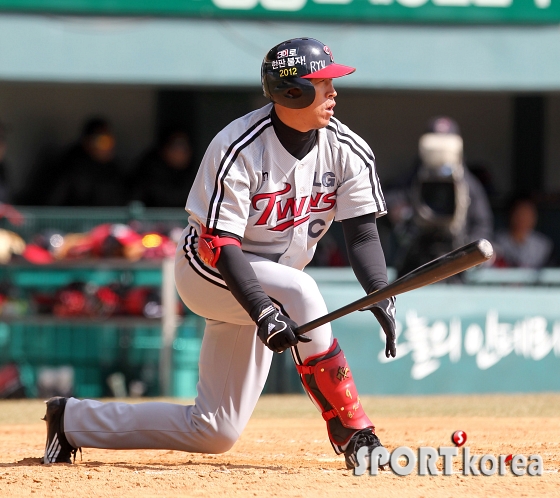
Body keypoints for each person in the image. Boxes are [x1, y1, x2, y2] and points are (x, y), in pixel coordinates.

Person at [41, 38, 397, 472]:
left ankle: (71, 419)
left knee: (214, 430)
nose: (334, 93)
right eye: (324, 83)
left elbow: (361, 236)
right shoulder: (239, 146)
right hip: (209, 271)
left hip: (272, 288)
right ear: (292, 92)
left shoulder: (347, 149)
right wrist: (264, 309)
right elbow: (221, 246)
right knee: (301, 290)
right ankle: (354, 429)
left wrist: (379, 290)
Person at [389, 116, 494, 278]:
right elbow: (389, 201)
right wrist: (403, 215)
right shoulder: (413, 179)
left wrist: (469, 248)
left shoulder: (468, 184)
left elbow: (483, 224)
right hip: (416, 258)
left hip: (455, 259)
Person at [47, 118, 125, 206]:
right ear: (87, 142)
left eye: (111, 141)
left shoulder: (113, 169)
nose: (109, 147)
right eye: (103, 141)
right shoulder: (70, 168)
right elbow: (53, 204)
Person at [128, 128, 196, 207]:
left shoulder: (196, 176)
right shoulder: (147, 174)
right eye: (176, 145)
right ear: (164, 149)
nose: (180, 152)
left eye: (185, 147)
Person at [493, 195, 554, 268]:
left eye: (528, 213)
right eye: (519, 213)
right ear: (510, 214)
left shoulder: (544, 245)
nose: (523, 218)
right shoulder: (496, 241)